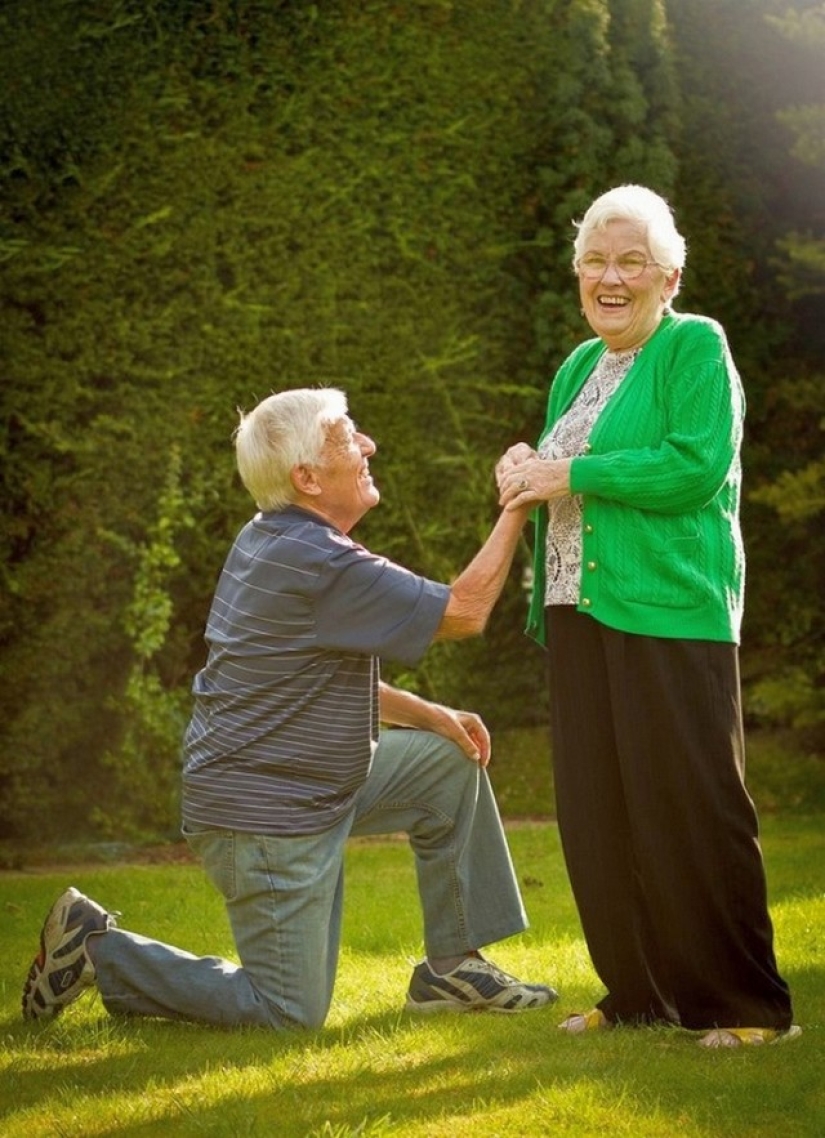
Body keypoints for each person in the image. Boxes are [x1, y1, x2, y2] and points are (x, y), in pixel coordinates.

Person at [23, 387, 558, 1029]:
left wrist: (433, 716)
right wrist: (520, 502)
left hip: (311, 784)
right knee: (287, 1014)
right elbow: (464, 612)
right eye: (347, 436)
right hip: (265, 814)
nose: (367, 445)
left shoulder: (272, 538)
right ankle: (97, 948)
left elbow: (301, 679)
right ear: (306, 477)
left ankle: (452, 968)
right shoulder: (317, 560)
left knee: (447, 762)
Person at [496, 184, 800, 1049]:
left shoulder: (694, 345)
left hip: (670, 610)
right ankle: (636, 991)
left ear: (668, 275)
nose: (610, 277)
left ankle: (746, 1007)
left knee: (691, 808)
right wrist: (528, 464)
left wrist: (574, 474)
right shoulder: (575, 366)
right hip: (577, 611)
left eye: (631, 261)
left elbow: (694, 466)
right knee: (601, 812)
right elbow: (562, 469)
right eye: (594, 260)